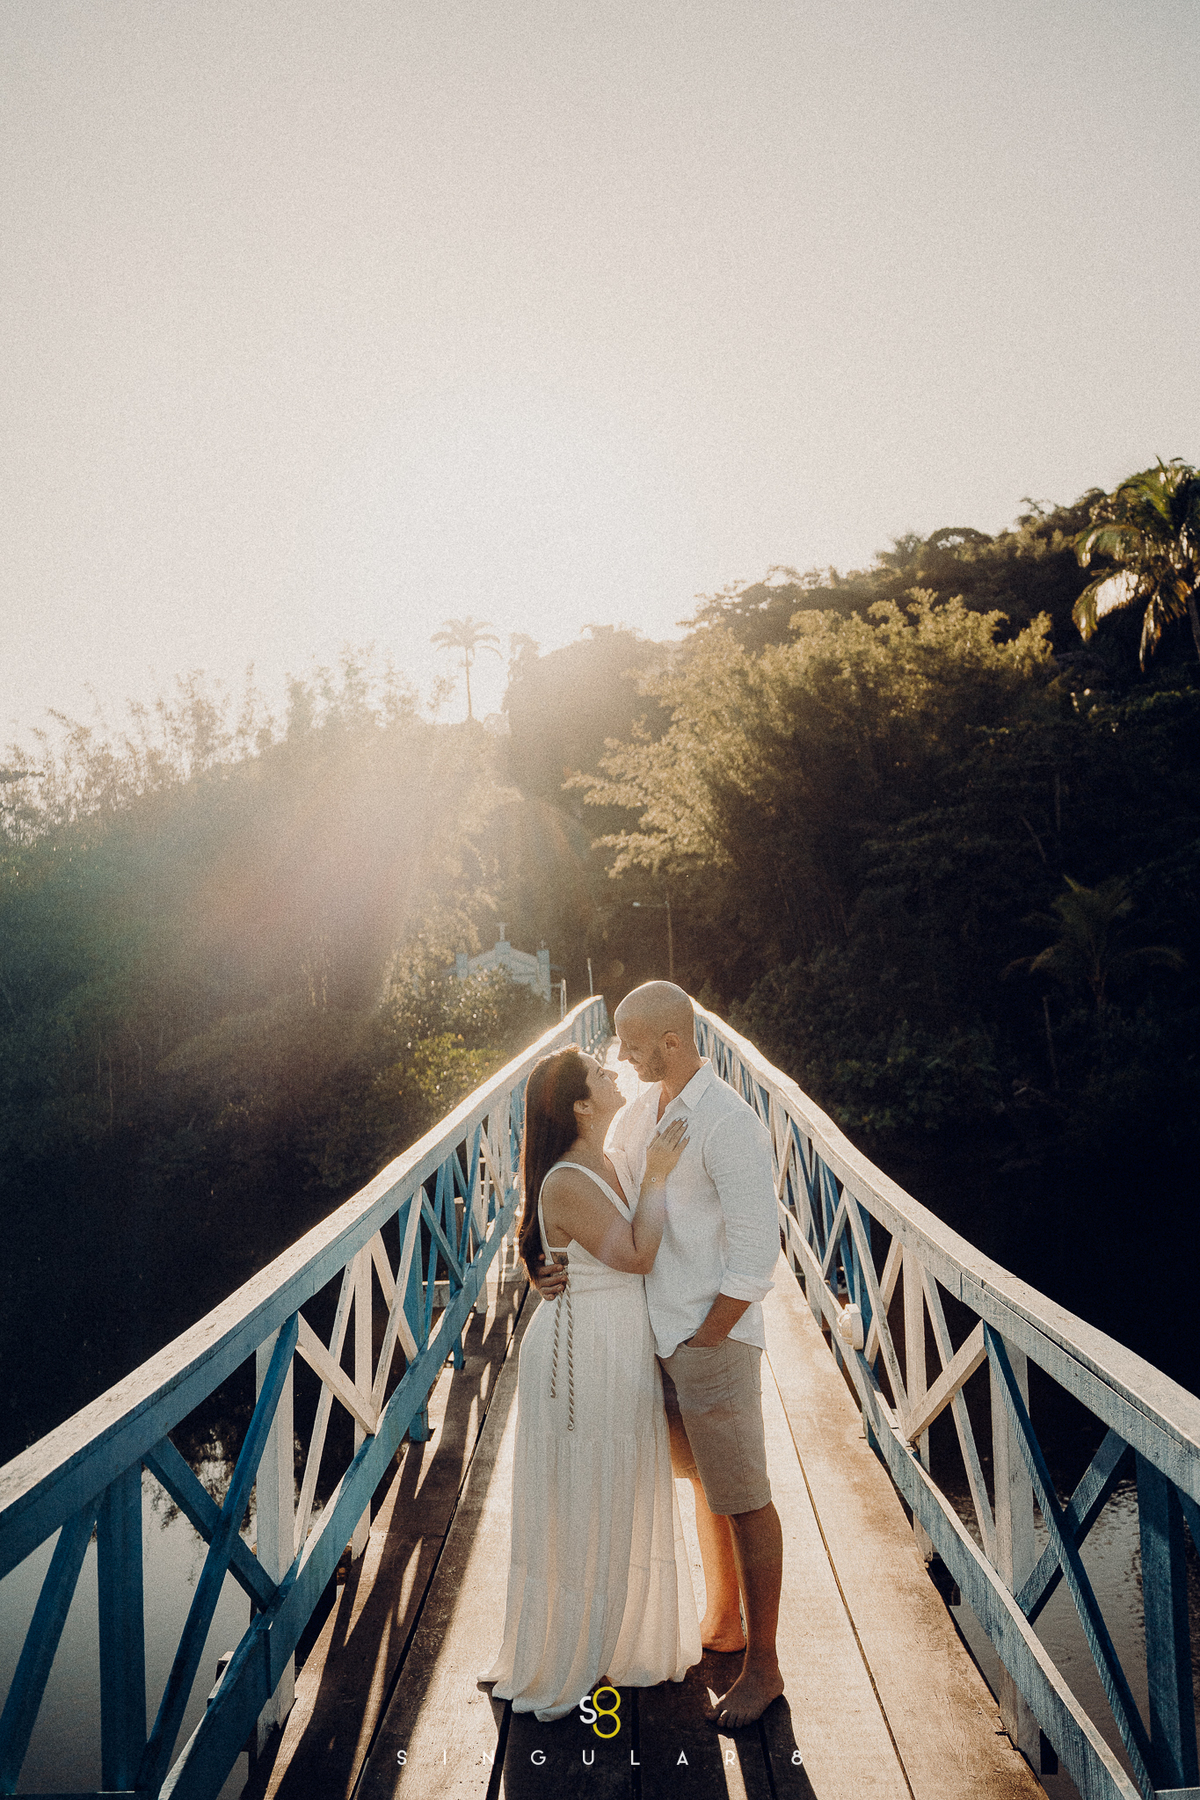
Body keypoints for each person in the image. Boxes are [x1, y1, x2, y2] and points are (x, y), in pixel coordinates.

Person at [538, 983, 784, 1728]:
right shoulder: (641, 1111)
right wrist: (546, 1258)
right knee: (707, 1489)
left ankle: (763, 1666)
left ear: (671, 1042)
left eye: (632, 1043)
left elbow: (758, 1253)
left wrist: (711, 1333)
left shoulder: (729, 1123)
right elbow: (592, 1190)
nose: (622, 1056)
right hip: (649, 1338)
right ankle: (722, 1624)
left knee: (743, 1496)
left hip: (709, 1339)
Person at [483, 1045, 701, 1722]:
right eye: (602, 1074)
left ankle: (621, 1637)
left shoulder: (606, 1151)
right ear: (580, 1105)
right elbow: (636, 1254)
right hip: (585, 1353)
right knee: (587, 1487)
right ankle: (571, 1650)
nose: (615, 1075)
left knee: (621, 1482)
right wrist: (659, 1178)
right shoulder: (569, 1177)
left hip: (616, 1338)